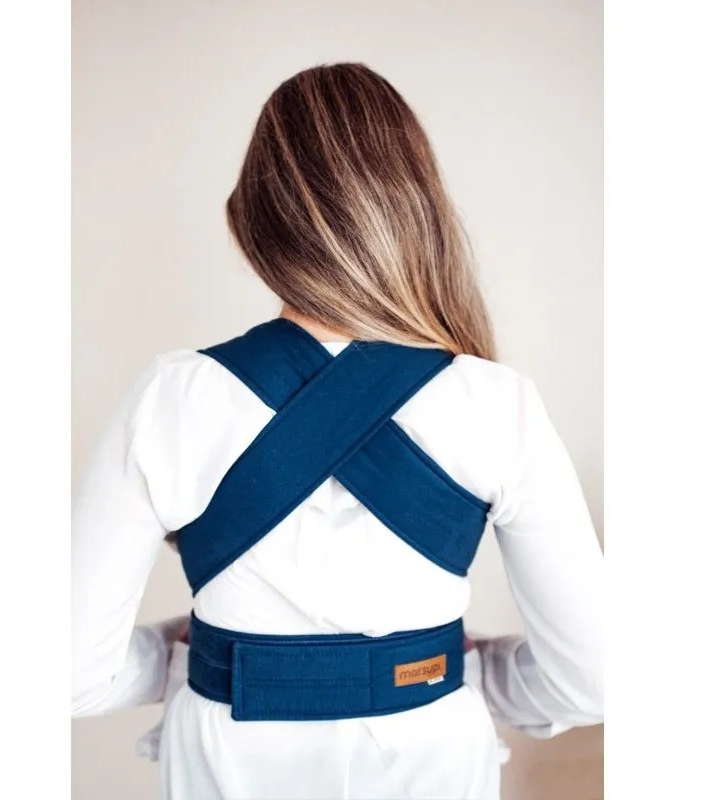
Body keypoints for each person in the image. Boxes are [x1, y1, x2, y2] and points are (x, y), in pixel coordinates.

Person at [72, 63, 603, 800]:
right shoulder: (496, 403)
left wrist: (179, 659)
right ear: (416, 214)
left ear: (253, 223)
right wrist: (461, 669)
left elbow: (69, 670)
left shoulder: (173, 398)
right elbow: (591, 679)